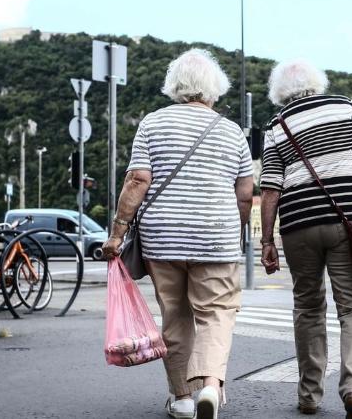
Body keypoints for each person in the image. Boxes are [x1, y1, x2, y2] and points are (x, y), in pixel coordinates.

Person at [101, 48, 254, 419]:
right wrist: (237, 228)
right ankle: (211, 388)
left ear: (174, 85)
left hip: (163, 237)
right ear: (214, 88)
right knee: (216, 313)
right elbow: (246, 192)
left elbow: (138, 179)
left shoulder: (153, 124)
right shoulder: (232, 131)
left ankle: (182, 398)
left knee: (175, 316)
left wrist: (117, 233)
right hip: (216, 236)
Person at [259, 59, 352, 419]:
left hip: (298, 225)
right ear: (317, 82)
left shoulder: (276, 126)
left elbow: (270, 187)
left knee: (308, 307)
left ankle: (309, 395)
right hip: (350, 222)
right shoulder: (347, 108)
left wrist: (266, 240)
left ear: (279, 90)